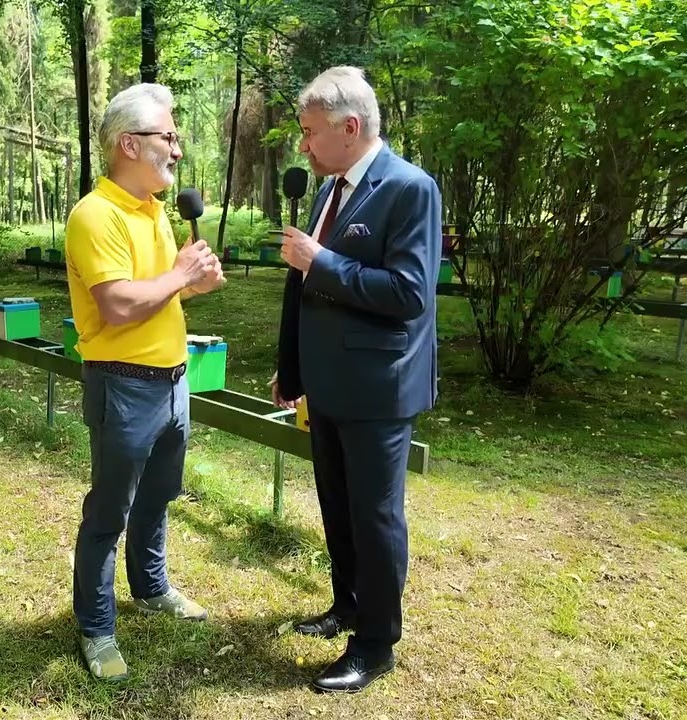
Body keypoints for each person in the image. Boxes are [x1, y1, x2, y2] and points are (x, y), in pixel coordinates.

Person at [271, 66, 441, 693]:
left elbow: (407, 294)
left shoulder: (409, 189)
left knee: (374, 516)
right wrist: (292, 369)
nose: (303, 144)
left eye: (311, 132)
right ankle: (347, 605)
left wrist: (325, 261)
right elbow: (303, 289)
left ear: (350, 127)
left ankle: (375, 642)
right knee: (338, 508)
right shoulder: (329, 190)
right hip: (328, 383)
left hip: (380, 387)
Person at [64, 82, 225, 682]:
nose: (177, 150)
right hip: (123, 385)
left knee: (158, 497)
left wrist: (192, 283)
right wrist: (180, 275)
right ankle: (97, 628)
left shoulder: (155, 209)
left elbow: (160, 295)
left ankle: (151, 587)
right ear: (129, 144)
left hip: (173, 382)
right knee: (110, 512)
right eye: (169, 136)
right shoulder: (95, 214)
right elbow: (119, 306)